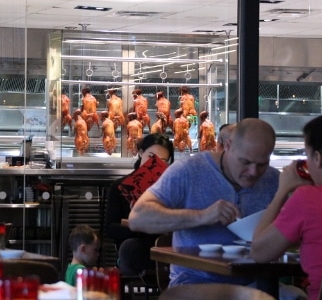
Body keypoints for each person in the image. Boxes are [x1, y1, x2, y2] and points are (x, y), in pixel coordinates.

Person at [128, 118, 280, 287]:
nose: (253, 172)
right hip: (195, 282)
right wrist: (202, 216)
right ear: (228, 146)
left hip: (257, 282)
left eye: (262, 165)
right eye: (245, 162)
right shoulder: (189, 170)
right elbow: (138, 218)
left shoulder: (274, 180)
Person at [250, 114, 322, 300]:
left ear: (318, 158)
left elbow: (259, 252)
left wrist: (282, 191)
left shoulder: (308, 199)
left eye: (307, 154)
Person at [105, 133, 175, 276]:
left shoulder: (171, 189)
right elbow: (110, 228)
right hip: (136, 247)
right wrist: (136, 223)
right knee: (130, 248)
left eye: (162, 161)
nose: (154, 165)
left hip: (164, 246)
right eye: (151, 157)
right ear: (141, 153)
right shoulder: (121, 186)